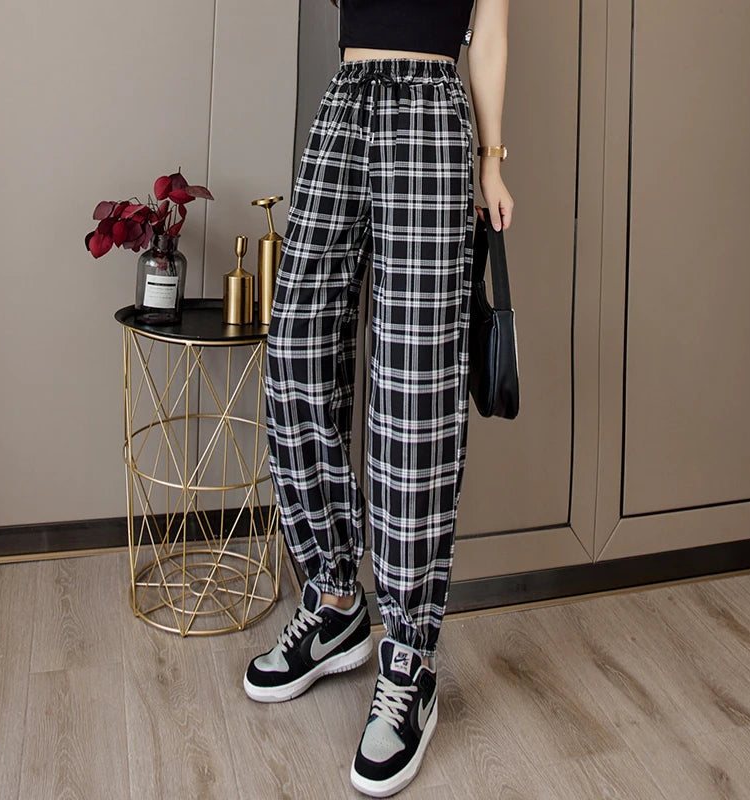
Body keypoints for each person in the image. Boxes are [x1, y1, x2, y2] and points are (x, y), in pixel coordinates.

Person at [244, 0, 513, 795]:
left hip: (432, 112)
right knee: (297, 345)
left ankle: (409, 658)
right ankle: (335, 599)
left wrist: (492, 161)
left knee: (414, 388)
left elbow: (490, 34)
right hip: (346, 101)